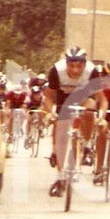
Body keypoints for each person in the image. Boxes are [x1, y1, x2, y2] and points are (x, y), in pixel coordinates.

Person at [44, 46, 96, 197]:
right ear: (66, 63)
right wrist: (50, 113)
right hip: (63, 97)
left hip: (84, 97)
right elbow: (48, 97)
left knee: (89, 110)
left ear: (85, 64)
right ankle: (59, 178)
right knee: (60, 127)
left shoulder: (92, 72)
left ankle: (86, 146)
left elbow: (99, 98)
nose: (75, 70)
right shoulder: (56, 70)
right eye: (71, 65)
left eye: (79, 66)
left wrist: (96, 114)